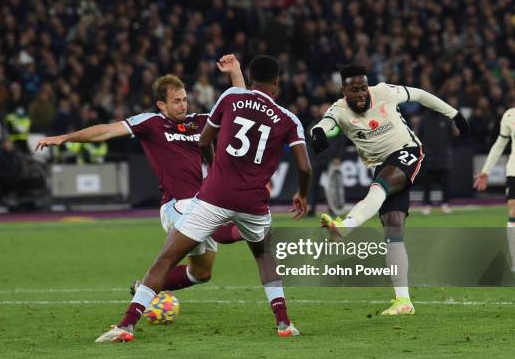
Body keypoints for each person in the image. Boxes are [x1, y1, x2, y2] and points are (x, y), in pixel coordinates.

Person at [96, 55, 312, 343]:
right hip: (254, 203)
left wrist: (214, 168)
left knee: (167, 258)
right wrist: (302, 194)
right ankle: (284, 322)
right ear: (277, 83)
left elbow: (203, 140)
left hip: (215, 196)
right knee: (263, 255)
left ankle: (126, 325)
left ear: (249, 79)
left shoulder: (231, 97)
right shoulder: (289, 119)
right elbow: (305, 166)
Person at [36, 55, 245, 296]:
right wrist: (65, 137)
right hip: (177, 207)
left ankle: (142, 287)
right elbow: (105, 131)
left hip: (199, 204)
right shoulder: (151, 123)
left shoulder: (197, 123)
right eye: (176, 101)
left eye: (185, 100)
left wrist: (235, 72)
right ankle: (250, 231)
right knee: (219, 226)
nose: (183, 105)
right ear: (161, 105)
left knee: (201, 273)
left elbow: (238, 107)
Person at [311, 64, 469, 316]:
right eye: (355, 90)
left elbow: (419, 94)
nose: (362, 94)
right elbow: (324, 124)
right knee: (393, 231)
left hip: (408, 151)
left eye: (363, 88)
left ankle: (346, 225)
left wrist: (454, 114)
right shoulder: (339, 110)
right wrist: (318, 133)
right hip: (382, 165)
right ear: (343, 91)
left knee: (379, 187)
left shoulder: (384, 91)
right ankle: (404, 301)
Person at [473, 107, 515, 276]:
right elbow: (499, 145)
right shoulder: (509, 115)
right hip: (514, 170)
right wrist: (486, 171)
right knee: (513, 210)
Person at [417, 99, 460, 215]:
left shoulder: (446, 118)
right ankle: (427, 205)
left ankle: (445, 204)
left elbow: (456, 133)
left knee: (445, 182)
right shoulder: (424, 118)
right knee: (427, 183)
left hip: (444, 156)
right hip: (428, 156)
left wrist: (454, 118)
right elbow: (417, 135)